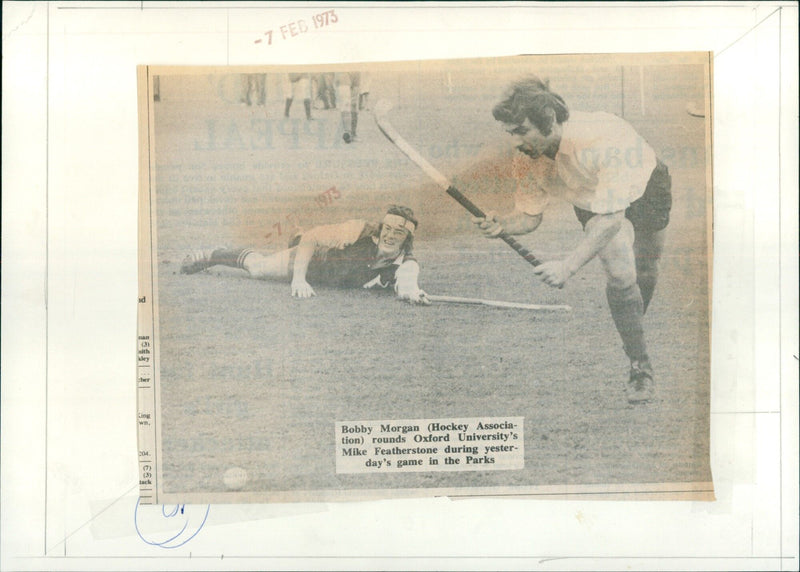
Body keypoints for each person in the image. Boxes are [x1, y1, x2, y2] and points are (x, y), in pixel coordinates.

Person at [472, 76, 672, 404]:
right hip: (592, 201)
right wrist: (502, 225)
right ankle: (640, 365)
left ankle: (633, 328)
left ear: (548, 120)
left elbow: (613, 218)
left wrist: (567, 266)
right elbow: (529, 216)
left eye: (521, 131)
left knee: (646, 270)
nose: (516, 142)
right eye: (511, 133)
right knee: (621, 274)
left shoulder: (600, 139)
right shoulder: (527, 156)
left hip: (648, 186)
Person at [181, 206, 430, 305]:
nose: (390, 236)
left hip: (332, 274)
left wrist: (413, 294)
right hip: (315, 259)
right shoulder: (358, 230)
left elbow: (409, 283)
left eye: (398, 234)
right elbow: (313, 238)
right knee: (259, 269)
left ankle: (295, 238)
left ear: (406, 241)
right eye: (387, 230)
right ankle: (214, 254)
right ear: (378, 232)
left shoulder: (407, 263)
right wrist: (299, 279)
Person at [335, 71, 361, 143]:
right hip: (343, 72)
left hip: (356, 72)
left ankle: (353, 134)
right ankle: (347, 132)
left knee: (354, 104)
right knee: (345, 103)